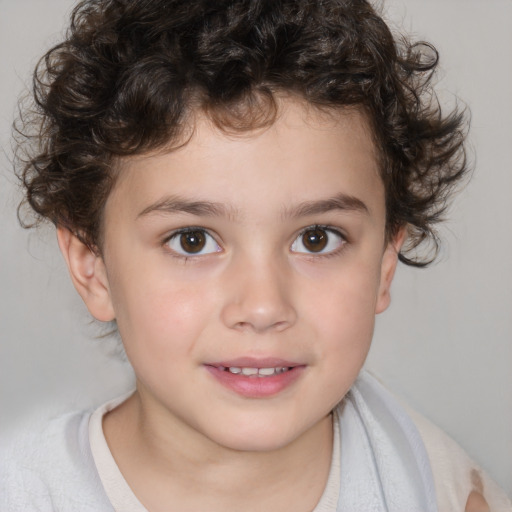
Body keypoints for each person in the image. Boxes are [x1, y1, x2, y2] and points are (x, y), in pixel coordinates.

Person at [1, 0, 510, 510]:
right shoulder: (24, 493)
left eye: (316, 238)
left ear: (384, 262)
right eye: (192, 240)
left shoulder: (443, 493)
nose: (264, 307)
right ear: (92, 268)